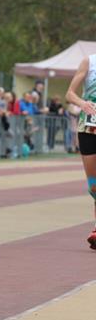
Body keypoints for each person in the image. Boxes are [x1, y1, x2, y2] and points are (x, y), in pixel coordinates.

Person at [65, 55, 96, 249]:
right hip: (89, 128)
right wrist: (83, 103)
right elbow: (69, 94)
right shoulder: (89, 62)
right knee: (94, 186)